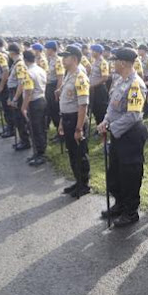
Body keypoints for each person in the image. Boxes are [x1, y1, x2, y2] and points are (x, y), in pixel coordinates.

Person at [97, 48, 148, 227]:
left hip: (131, 135)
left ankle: (130, 212)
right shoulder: (120, 81)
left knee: (130, 175)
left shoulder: (135, 84)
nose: (112, 63)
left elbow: (133, 115)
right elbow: (112, 107)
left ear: (124, 63)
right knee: (115, 173)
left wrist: (111, 127)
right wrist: (105, 121)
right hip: (118, 134)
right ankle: (119, 204)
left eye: (115, 60)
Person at [58, 45, 91, 198]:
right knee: (72, 153)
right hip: (67, 118)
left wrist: (79, 128)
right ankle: (78, 181)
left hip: (76, 120)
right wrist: (61, 122)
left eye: (66, 56)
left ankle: (84, 184)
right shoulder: (69, 74)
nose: (63, 59)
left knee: (79, 153)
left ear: (75, 59)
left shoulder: (80, 76)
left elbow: (83, 104)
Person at [19, 50, 48, 166]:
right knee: (41, 128)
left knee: (35, 129)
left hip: (34, 102)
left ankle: (40, 154)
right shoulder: (40, 69)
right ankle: (39, 152)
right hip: (42, 99)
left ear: (25, 60)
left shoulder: (28, 72)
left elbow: (29, 91)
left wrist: (23, 107)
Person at [6, 43, 31, 151]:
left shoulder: (19, 64)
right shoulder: (16, 63)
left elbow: (21, 83)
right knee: (17, 118)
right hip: (14, 92)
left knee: (19, 119)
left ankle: (25, 141)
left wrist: (15, 98)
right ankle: (22, 139)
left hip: (18, 93)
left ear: (12, 52)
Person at [45, 40, 65, 141]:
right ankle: (58, 132)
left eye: (47, 49)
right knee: (52, 111)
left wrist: (58, 91)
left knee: (56, 111)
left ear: (51, 49)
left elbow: (60, 77)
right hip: (49, 86)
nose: (46, 51)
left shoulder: (58, 60)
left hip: (54, 87)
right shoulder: (51, 59)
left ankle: (62, 135)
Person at [87, 44, 110, 128]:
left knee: (101, 110)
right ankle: (98, 126)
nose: (91, 52)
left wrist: (93, 85)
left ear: (97, 52)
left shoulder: (103, 63)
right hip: (93, 89)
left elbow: (105, 78)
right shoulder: (94, 62)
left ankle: (103, 127)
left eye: (93, 51)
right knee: (95, 109)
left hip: (100, 89)